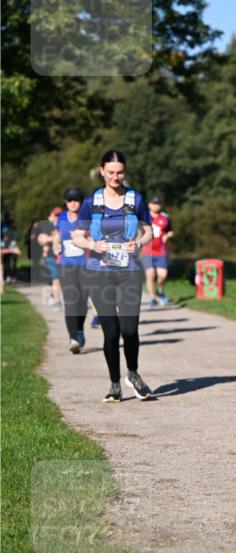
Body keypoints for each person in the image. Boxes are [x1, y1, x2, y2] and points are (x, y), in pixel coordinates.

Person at [72, 150, 155, 402]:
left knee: (129, 329)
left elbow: (149, 230)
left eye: (120, 172)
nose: (115, 177)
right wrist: (91, 245)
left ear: (125, 172)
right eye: (111, 172)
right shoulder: (91, 202)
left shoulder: (136, 199)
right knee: (111, 331)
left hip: (129, 272)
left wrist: (139, 243)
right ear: (102, 171)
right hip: (100, 274)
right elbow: (77, 236)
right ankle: (114, 384)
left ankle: (133, 373)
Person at [54, 188, 89, 353]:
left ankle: (80, 329)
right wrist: (55, 245)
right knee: (70, 302)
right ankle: (73, 338)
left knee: (81, 302)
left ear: (81, 202)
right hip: (66, 265)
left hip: (86, 265)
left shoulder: (87, 218)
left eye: (76, 200)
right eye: (69, 200)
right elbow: (56, 235)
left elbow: (95, 237)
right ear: (66, 203)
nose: (73, 203)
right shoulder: (61, 218)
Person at [141, 196, 174, 308]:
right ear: (149, 204)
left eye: (158, 203)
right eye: (153, 203)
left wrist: (167, 236)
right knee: (150, 275)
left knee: (162, 275)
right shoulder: (144, 216)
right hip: (147, 251)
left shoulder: (165, 217)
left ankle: (160, 290)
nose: (156, 205)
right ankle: (152, 298)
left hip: (161, 250)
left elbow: (170, 231)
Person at [37, 208, 64, 309]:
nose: (57, 217)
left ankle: (54, 297)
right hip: (51, 256)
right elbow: (41, 239)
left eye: (59, 215)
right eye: (56, 215)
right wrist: (53, 238)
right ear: (52, 214)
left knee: (60, 279)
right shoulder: (47, 225)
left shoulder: (62, 224)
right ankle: (57, 301)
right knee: (56, 279)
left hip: (61, 256)